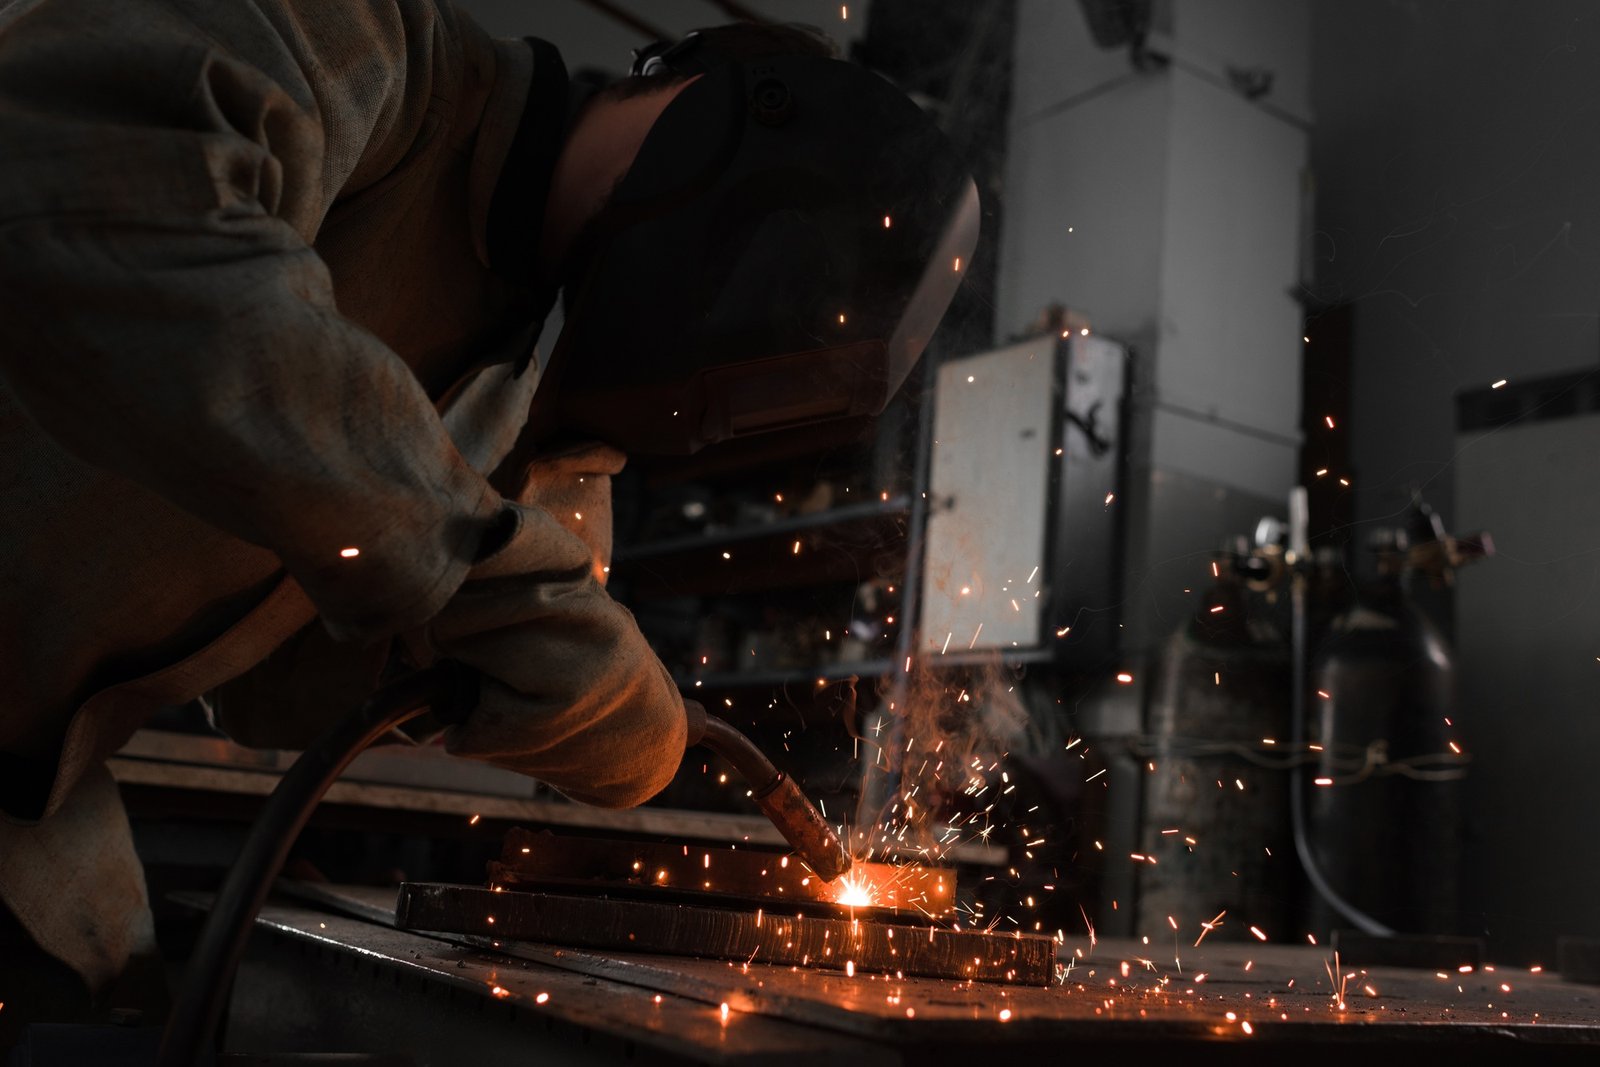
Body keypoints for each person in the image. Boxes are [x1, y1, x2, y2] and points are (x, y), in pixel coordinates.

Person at [0, 0, 977, 1042]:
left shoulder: (513, 394)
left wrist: (482, 670)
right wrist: (484, 583)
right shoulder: (360, 41)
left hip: (31, 808)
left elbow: (266, 691)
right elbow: (92, 210)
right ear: (703, 121)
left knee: (121, 1006)